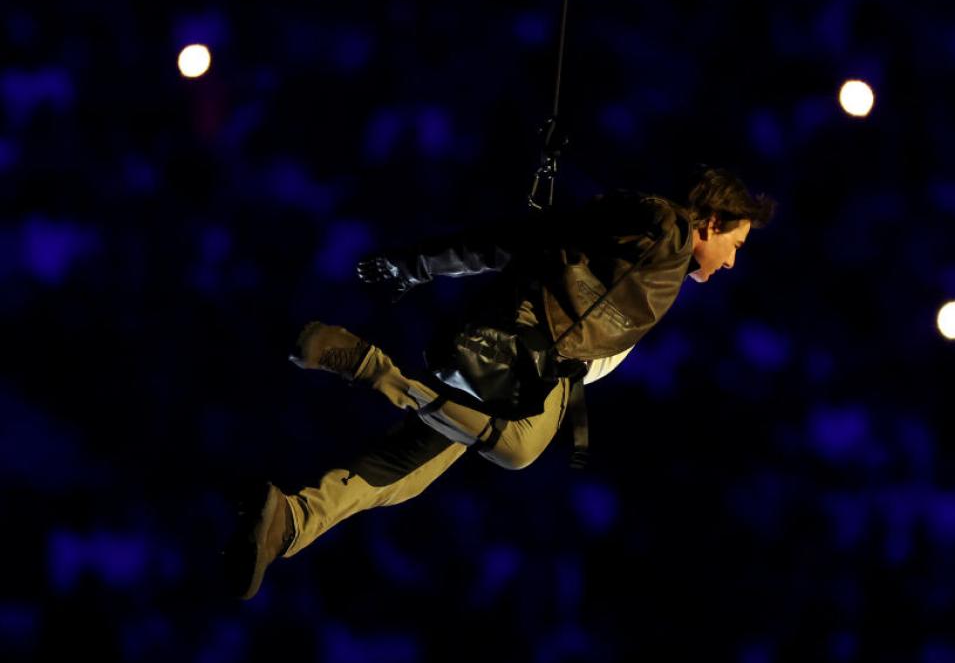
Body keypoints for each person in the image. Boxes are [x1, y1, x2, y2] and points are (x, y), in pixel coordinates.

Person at [223, 167, 776, 599]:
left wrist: (421, 264)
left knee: (411, 472)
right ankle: (372, 368)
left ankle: (290, 521)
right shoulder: (666, 228)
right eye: (737, 246)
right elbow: (528, 238)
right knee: (516, 449)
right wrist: (422, 263)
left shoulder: (666, 264)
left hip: (535, 365)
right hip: (527, 353)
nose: (731, 262)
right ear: (711, 222)